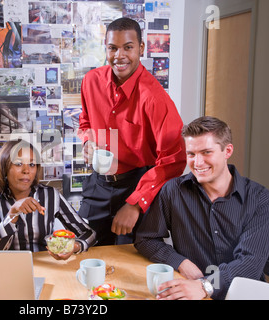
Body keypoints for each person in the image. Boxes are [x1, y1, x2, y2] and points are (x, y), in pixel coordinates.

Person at [134, 116, 269, 300]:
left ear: (228, 151)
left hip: (243, 293)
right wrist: (181, 262)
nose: (198, 163)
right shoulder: (173, 191)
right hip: (192, 292)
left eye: (206, 152)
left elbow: (250, 263)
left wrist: (206, 285)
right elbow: (146, 239)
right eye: (191, 154)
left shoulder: (260, 199)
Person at [77, 17, 186, 245]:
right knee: (84, 250)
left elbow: (174, 160)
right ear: (105, 48)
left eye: (128, 47)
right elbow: (85, 121)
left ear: (141, 48)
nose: (120, 55)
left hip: (136, 184)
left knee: (128, 261)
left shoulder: (155, 99)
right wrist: (88, 142)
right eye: (113, 48)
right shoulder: (90, 82)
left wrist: (136, 203)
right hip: (98, 184)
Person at [0, 140, 96, 260]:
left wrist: (74, 247)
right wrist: (13, 214)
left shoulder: (50, 195)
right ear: (4, 166)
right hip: (10, 268)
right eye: (19, 164)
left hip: (44, 266)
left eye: (32, 164)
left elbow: (89, 234)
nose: (26, 171)